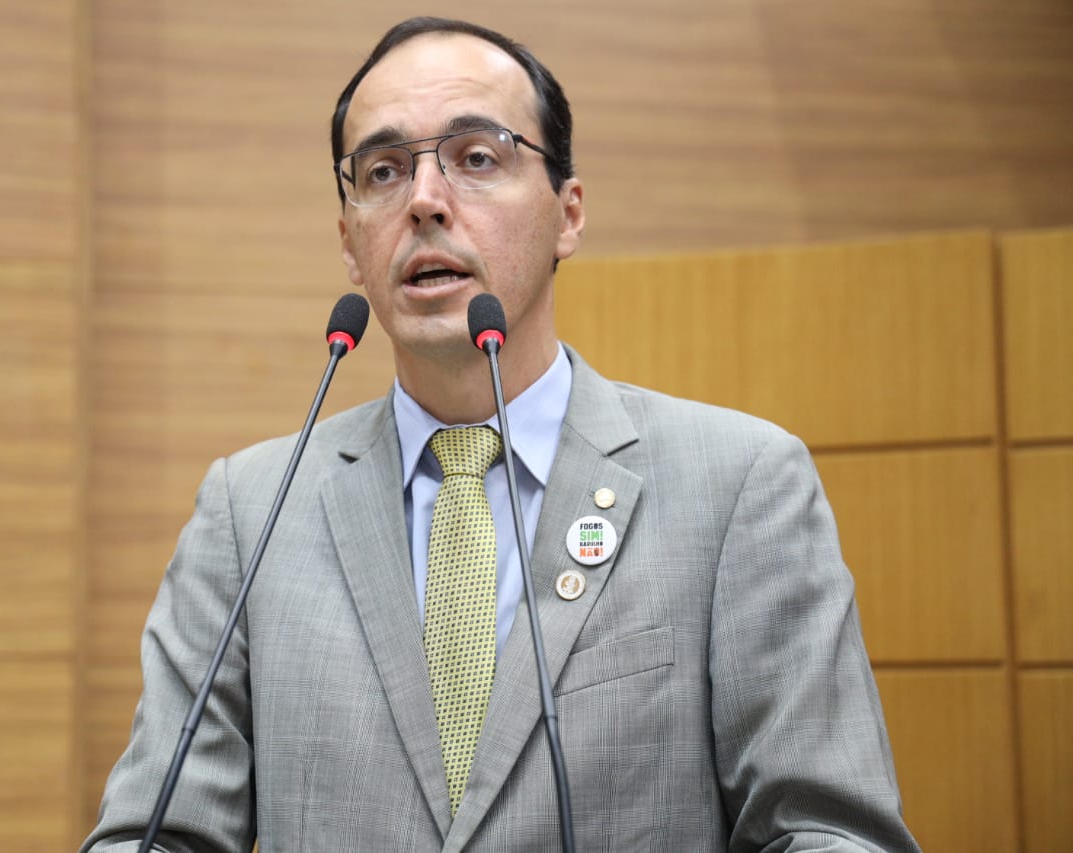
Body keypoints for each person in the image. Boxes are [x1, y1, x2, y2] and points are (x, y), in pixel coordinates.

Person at [83, 17, 919, 852]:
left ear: (568, 212)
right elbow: (157, 834)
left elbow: (826, 831)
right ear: (350, 244)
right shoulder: (249, 512)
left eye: (477, 157)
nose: (423, 200)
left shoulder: (739, 484)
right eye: (382, 171)